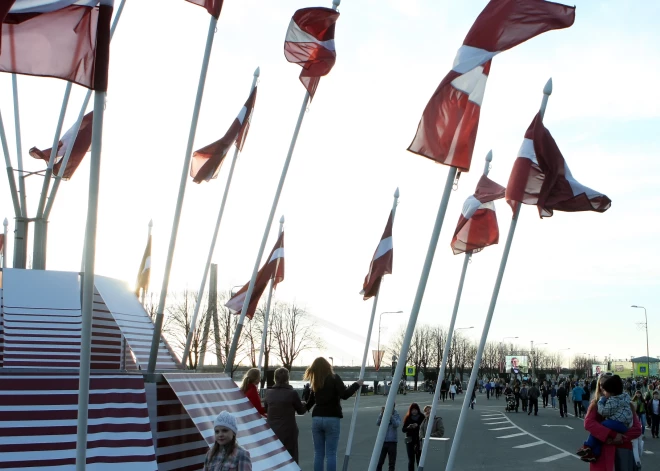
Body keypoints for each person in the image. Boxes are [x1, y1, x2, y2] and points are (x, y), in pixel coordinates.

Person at [303, 357, 363, 471]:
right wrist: (356, 384)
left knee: (318, 453)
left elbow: (310, 402)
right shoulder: (334, 378)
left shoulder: (315, 381)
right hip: (332, 417)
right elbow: (344, 395)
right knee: (331, 453)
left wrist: (300, 406)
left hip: (317, 417)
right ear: (328, 366)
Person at [583, 375, 642, 471]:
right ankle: (587, 447)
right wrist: (612, 435)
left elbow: (637, 429)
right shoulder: (596, 404)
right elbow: (589, 423)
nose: (603, 387)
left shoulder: (627, 403)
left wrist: (621, 437)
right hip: (602, 452)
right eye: (601, 385)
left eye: (607, 384)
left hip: (622, 450)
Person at [264, 368, 306, 464]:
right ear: (287, 379)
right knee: (290, 457)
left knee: (274, 457)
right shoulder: (292, 393)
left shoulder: (268, 393)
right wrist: (306, 404)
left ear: (275, 378)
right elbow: (301, 411)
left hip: (272, 430)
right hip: (288, 431)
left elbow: (267, 409)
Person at [376, 402, 401, 471]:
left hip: (392, 442)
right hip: (383, 441)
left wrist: (391, 416)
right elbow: (378, 423)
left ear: (393, 407)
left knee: (391, 463)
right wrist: (381, 414)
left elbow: (396, 424)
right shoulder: (383, 414)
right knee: (379, 462)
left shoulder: (396, 415)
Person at [402, 403, 424, 471]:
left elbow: (424, 428)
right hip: (410, 440)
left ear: (418, 410)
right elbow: (403, 429)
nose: (414, 411)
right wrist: (409, 427)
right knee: (411, 459)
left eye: (415, 410)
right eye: (412, 410)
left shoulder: (422, 417)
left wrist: (417, 426)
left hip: (419, 440)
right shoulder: (408, 417)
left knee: (419, 459)